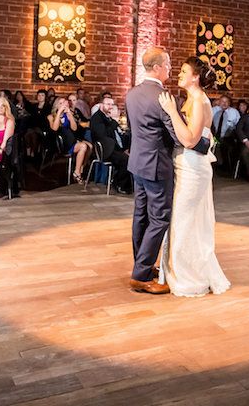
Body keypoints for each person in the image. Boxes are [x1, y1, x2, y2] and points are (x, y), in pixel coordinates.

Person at [125, 47, 210, 295]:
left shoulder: (132, 94)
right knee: (159, 218)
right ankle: (141, 275)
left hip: (137, 163)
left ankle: (141, 264)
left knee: (140, 216)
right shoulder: (163, 98)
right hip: (156, 166)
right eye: (169, 64)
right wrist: (206, 144)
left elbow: (133, 129)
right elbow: (179, 138)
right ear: (158, 67)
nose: (171, 69)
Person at [156, 57, 231, 297]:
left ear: (195, 77)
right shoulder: (191, 99)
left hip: (193, 168)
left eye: (184, 71)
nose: (179, 74)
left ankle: (187, 277)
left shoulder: (199, 101)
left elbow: (190, 140)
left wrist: (170, 111)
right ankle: (176, 269)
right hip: (183, 164)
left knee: (183, 221)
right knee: (183, 220)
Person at [90, 95, 133, 194]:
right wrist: (114, 121)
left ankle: (127, 184)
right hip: (105, 150)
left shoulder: (109, 119)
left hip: (115, 148)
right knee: (125, 160)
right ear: (101, 105)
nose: (110, 107)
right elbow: (103, 135)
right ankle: (119, 184)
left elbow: (119, 135)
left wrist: (125, 148)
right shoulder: (97, 118)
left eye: (112, 104)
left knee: (132, 156)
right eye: (108, 104)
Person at [48, 96, 91, 184]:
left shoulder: (68, 114)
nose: (63, 105)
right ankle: (78, 171)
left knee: (85, 146)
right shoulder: (51, 116)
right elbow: (55, 128)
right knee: (83, 146)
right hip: (59, 143)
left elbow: (74, 128)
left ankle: (77, 172)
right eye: (61, 103)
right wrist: (59, 112)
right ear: (56, 105)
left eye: (64, 103)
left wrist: (70, 115)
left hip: (70, 140)